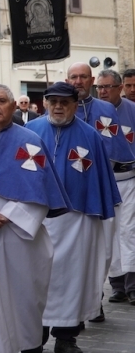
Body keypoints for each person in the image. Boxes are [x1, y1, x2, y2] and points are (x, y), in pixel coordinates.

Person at [0, 84, 70, 353]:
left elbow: (41, 191)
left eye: (2, 101)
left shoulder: (31, 142)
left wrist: (8, 215)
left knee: (26, 298)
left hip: (21, 237)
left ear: (13, 107)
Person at [25, 82, 120, 353]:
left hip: (78, 220)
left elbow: (100, 180)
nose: (58, 106)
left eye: (64, 102)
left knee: (73, 280)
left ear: (75, 105)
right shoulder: (29, 133)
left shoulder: (90, 136)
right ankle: (35, 339)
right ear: (44, 103)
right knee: (38, 280)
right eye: (53, 101)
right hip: (38, 219)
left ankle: (66, 337)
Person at [66, 62, 135, 320]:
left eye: (83, 77)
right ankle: (75, 305)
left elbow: (116, 145)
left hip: (103, 185)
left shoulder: (105, 109)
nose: (78, 81)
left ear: (90, 80)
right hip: (71, 191)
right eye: (74, 77)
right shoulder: (60, 109)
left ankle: (95, 299)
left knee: (103, 246)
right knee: (73, 249)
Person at [95, 69, 135, 305]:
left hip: (128, 178)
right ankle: (116, 284)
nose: (102, 91)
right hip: (103, 180)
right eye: (99, 87)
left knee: (128, 231)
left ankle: (132, 284)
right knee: (107, 234)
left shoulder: (132, 111)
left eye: (107, 87)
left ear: (119, 88)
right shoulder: (92, 112)